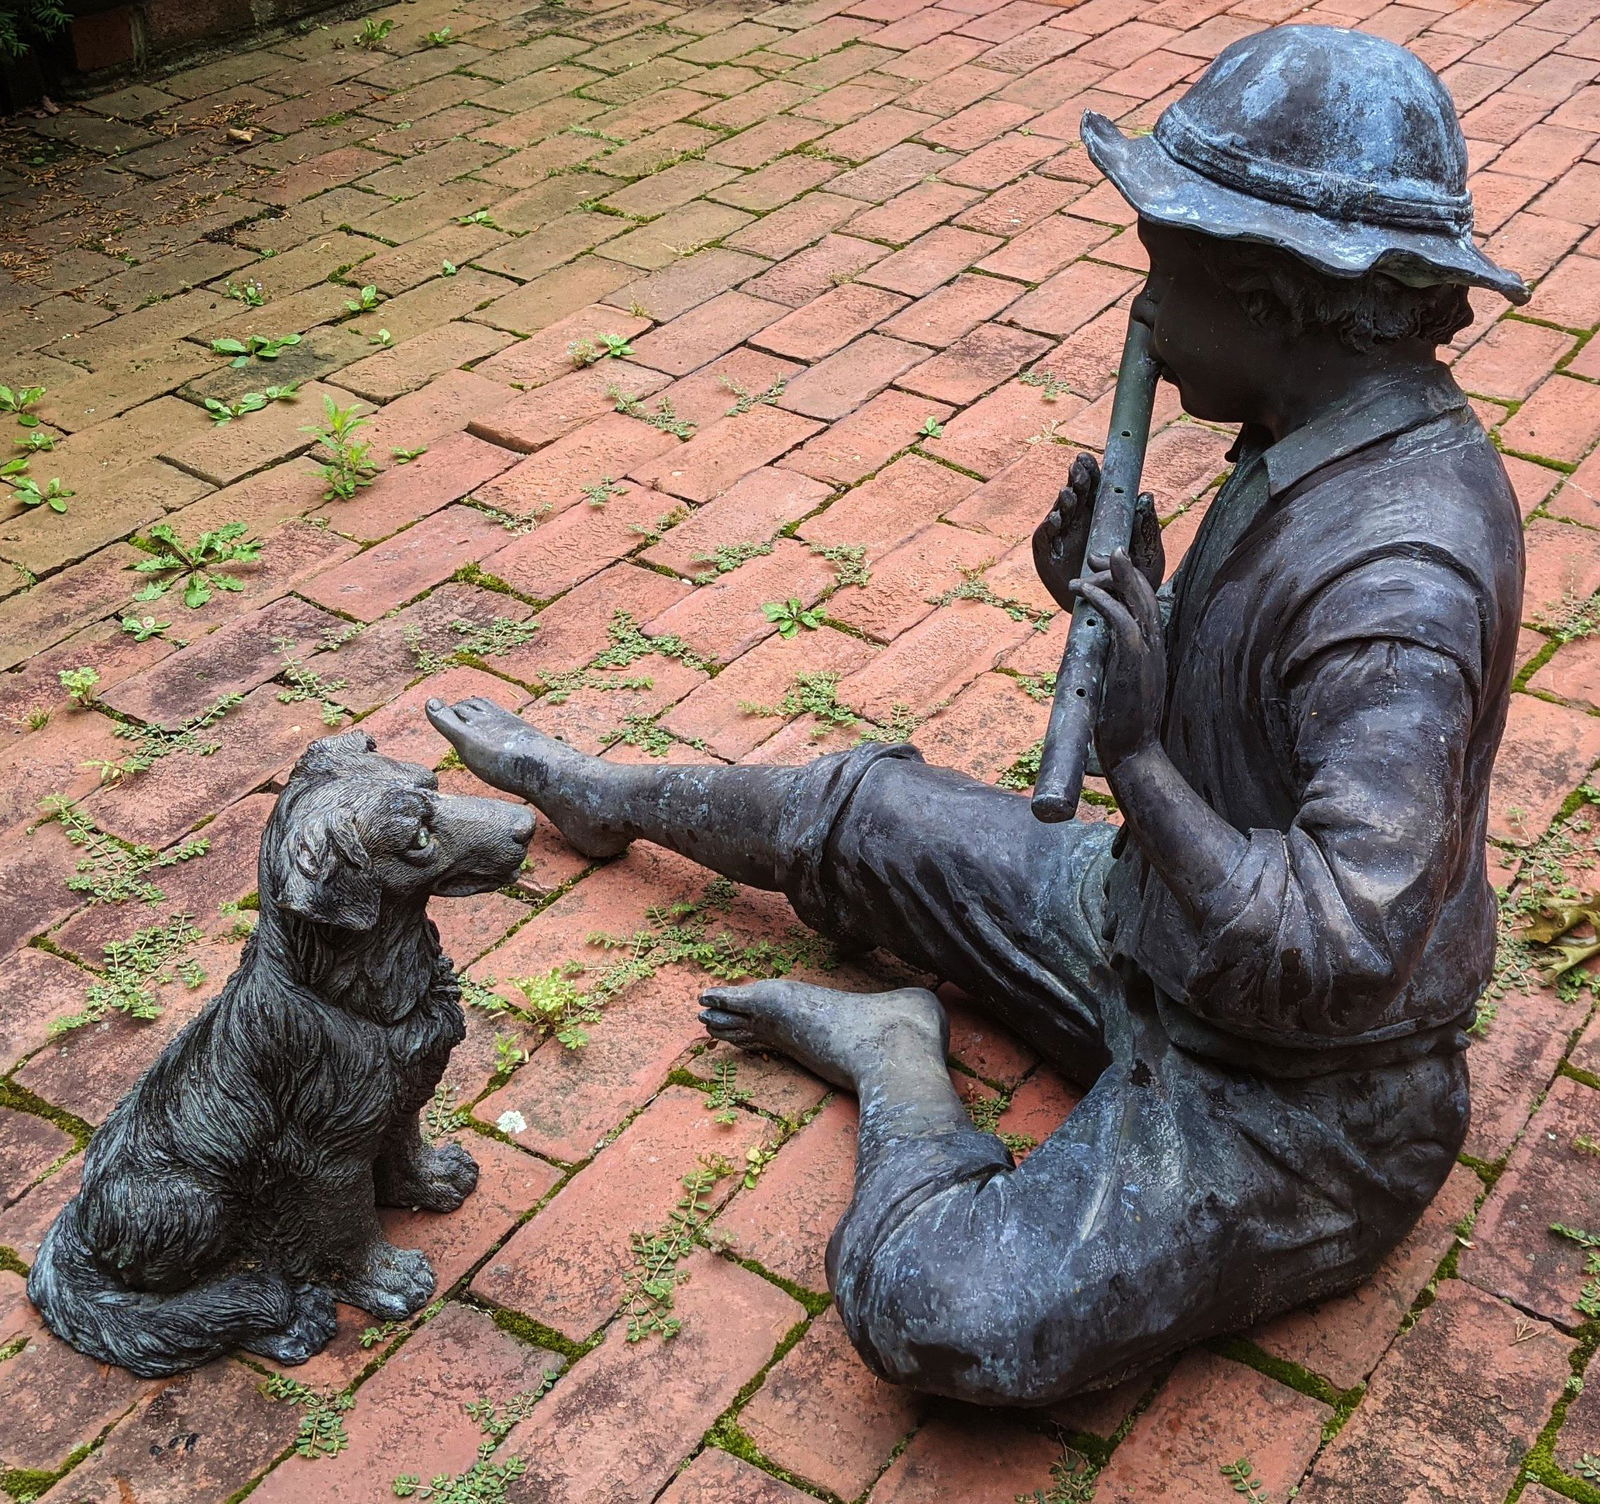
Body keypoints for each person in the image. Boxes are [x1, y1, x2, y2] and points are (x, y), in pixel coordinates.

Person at [427, 24, 1529, 1406]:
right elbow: (1261, 725)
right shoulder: (1320, 428)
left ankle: (898, 1063)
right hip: (1155, 935)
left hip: (1289, 1105)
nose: (1143, 305)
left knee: (949, 1310)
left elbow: (1338, 945)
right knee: (871, 813)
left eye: (1164, 266)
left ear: (1281, 297)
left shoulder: (1402, 577)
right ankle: (599, 791)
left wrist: (1130, 744)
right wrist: (1138, 613)